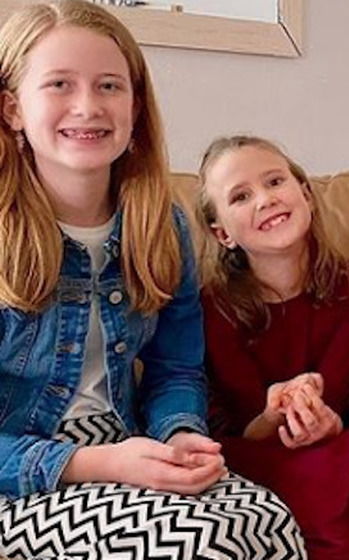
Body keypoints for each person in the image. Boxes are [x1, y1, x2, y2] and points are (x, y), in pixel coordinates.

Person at [0, 3, 304, 558]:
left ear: (136, 108)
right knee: (200, 544)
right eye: (60, 84)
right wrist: (96, 463)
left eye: (110, 85)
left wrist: (180, 433)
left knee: (269, 521)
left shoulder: (161, 224)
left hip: (127, 445)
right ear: (13, 108)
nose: (88, 106)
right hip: (20, 475)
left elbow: (175, 369)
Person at [198, 135, 349, 560]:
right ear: (223, 233)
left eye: (275, 182)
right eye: (241, 196)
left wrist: (322, 419)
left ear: (306, 195)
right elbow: (244, 422)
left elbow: (336, 396)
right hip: (254, 449)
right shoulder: (213, 307)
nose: (265, 199)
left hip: (335, 441)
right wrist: (274, 413)